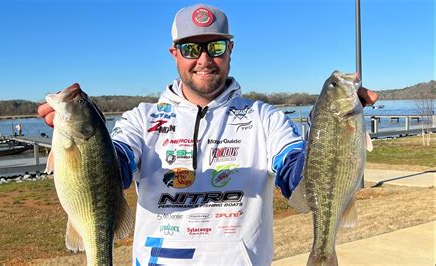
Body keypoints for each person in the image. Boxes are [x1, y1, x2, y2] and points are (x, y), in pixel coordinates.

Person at [38, 4, 378, 265]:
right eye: (190, 49)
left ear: (230, 50)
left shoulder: (264, 118)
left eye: (215, 47)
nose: (203, 59)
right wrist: (83, 140)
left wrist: (335, 134)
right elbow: (116, 169)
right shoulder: (142, 119)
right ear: (174, 54)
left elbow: (295, 173)